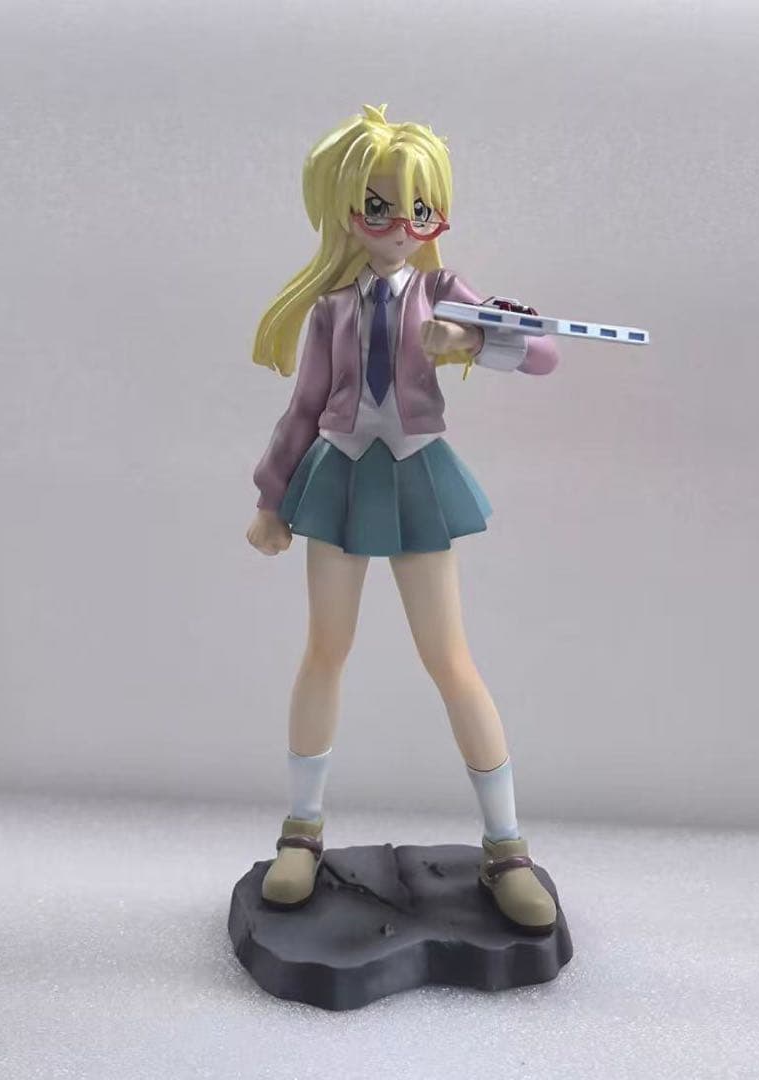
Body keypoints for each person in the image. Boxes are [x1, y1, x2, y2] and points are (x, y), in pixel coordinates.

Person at [246, 104, 559, 932]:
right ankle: (301, 831)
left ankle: (506, 846)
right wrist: (271, 497)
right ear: (345, 210)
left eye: (420, 210)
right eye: (378, 207)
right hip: (341, 476)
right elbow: (303, 407)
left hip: (416, 473)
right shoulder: (332, 308)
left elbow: (543, 351)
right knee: (325, 650)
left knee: (449, 660)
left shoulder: (442, 290)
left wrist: (472, 341)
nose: (400, 227)